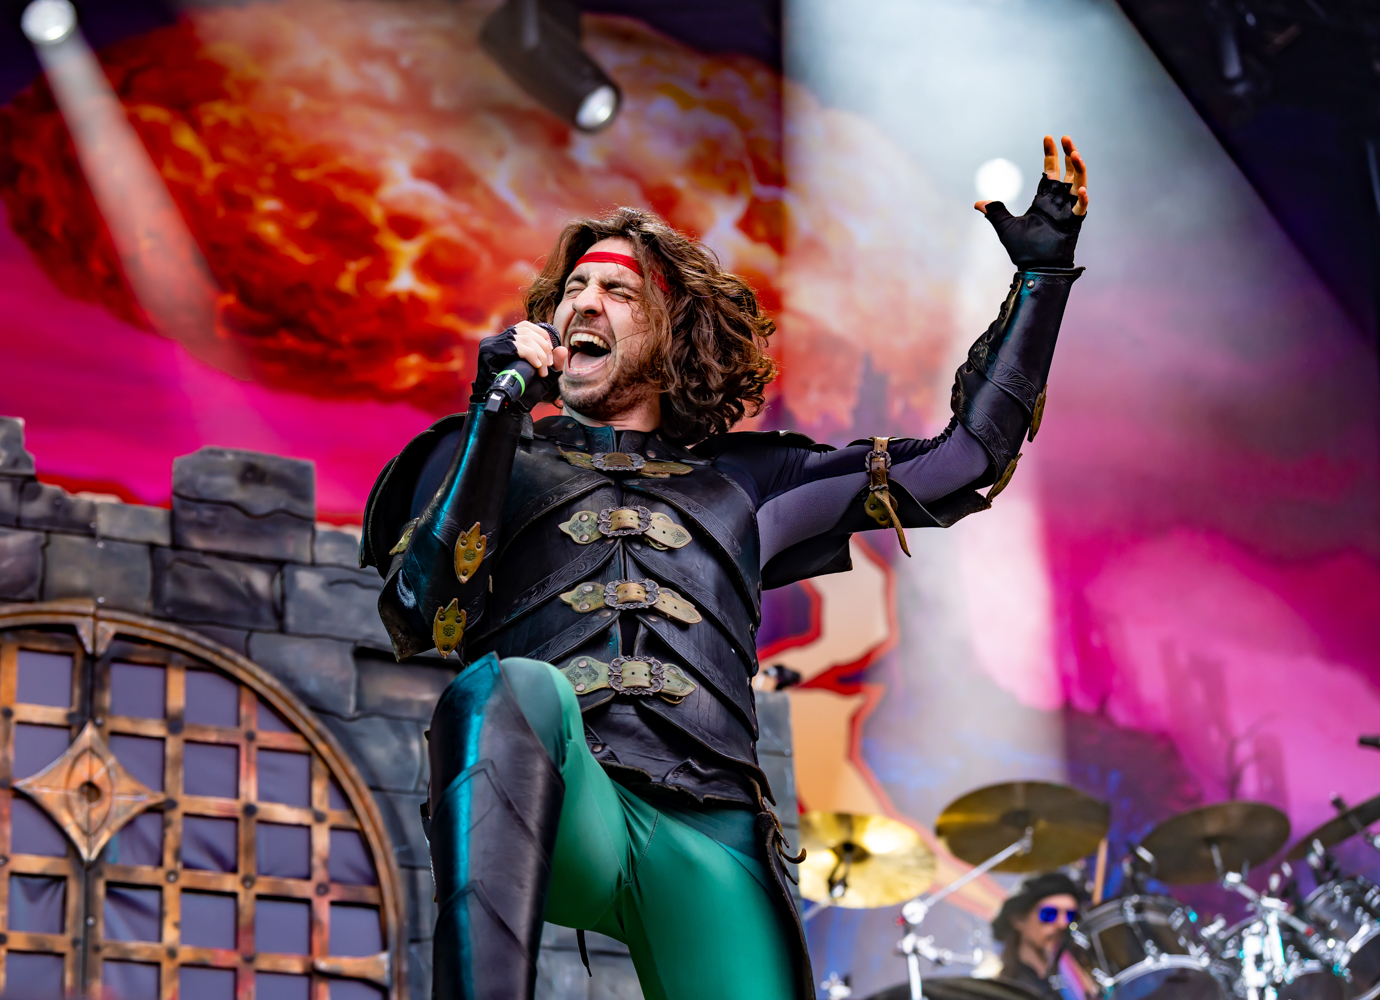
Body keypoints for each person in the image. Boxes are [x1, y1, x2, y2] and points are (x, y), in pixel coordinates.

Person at [362, 137, 1090, 1000]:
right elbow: (421, 608)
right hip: (564, 809)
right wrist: (495, 410)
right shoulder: (486, 453)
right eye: (572, 290)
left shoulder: (749, 482)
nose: (582, 303)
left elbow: (960, 464)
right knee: (508, 687)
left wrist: (1041, 281)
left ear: (671, 334)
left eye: (617, 291)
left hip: (714, 842)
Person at [990, 873, 1090, 999]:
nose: (1063, 923)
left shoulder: (1081, 978)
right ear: (1019, 920)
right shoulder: (1008, 988)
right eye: (1049, 914)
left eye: (1070, 915)